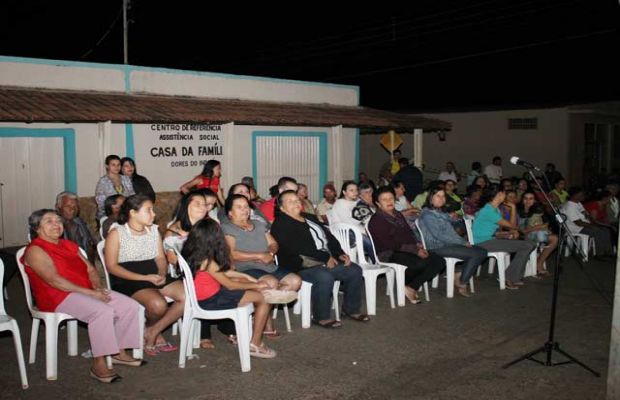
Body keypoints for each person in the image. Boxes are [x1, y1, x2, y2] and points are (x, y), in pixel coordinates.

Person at [23, 209, 143, 383]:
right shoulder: (35, 250)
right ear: (37, 228)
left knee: (129, 305)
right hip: (57, 296)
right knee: (102, 311)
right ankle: (99, 364)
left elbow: (90, 269)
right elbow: (54, 281)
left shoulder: (69, 245)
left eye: (58, 221)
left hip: (84, 290)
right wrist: (92, 294)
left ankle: (118, 352)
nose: (56, 224)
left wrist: (97, 289)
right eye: (49, 221)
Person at [271, 190, 369, 328]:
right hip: (300, 265)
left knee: (354, 270)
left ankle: (350, 309)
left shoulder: (309, 217)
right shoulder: (281, 224)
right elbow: (298, 248)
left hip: (324, 259)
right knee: (324, 276)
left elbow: (328, 236)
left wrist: (339, 253)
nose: (296, 203)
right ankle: (320, 317)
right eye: (290, 201)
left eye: (297, 200)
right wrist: (325, 257)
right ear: (281, 208)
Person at [181, 219, 277, 358]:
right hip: (211, 300)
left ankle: (250, 331)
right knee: (264, 299)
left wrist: (246, 277)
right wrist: (256, 285)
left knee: (246, 283)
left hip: (203, 297)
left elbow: (221, 273)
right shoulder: (208, 261)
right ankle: (255, 344)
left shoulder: (194, 253)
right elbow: (230, 285)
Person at [104, 194, 185, 356]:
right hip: (128, 278)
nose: (154, 214)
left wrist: (162, 272)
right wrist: (145, 278)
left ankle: (153, 330)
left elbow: (160, 258)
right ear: (133, 213)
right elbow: (111, 266)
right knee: (158, 304)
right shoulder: (117, 233)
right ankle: (153, 330)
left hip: (153, 273)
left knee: (188, 296)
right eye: (149, 210)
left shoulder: (153, 230)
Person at [222, 194, 302, 338]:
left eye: (246, 206)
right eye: (239, 207)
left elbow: (273, 243)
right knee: (271, 283)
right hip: (245, 268)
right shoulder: (227, 227)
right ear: (230, 212)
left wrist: (270, 254)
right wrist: (259, 255)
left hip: (267, 266)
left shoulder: (258, 224)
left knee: (295, 281)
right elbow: (232, 254)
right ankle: (266, 321)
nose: (244, 210)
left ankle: (261, 312)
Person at [164, 190, 234, 349]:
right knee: (206, 282)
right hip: (185, 273)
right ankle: (205, 332)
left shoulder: (209, 225)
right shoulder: (173, 231)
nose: (204, 208)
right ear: (186, 206)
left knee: (227, 276)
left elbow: (220, 249)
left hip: (209, 268)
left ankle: (227, 323)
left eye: (205, 205)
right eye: (198, 204)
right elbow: (174, 260)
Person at [368, 186, 445, 303]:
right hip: (388, 252)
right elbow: (390, 244)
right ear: (378, 203)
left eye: (391, 198)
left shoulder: (398, 215)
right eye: (384, 199)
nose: (389, 201)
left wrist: (418, 245)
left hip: (407, 250)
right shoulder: (376, 220)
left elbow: (409, 233)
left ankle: (411, 287)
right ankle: (404, 284)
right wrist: (415, 250)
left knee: (438, 261)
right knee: (418, 263)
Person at [417, 188, 487, 297]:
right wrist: (462, 242)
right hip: (437, 246)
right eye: (438, 196)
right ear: (431, 199)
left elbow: (450, 219)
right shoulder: (428, 215)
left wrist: (454, 218)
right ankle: (462, 282)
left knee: (481, 251)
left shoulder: (439, 212)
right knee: (478, 253)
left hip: (446, 244)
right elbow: (439, 235)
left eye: (443, 196)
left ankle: (458, 273)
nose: (441, 198)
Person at [472, 186, 537, 289]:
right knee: (527, 245)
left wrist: (507, 234)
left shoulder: (495, 209)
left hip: (490, 239)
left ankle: (513, 276)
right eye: (503, 193)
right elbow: (512, 225)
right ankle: (509, 277)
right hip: (482, 243)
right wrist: (513, 208)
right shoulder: (489, 210)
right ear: (498, 195)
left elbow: (499, 230)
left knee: (531, 244)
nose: (505, 195)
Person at [560, 186, 614, 257]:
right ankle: (600, 254)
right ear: (575, 195)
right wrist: (593, 225)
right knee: (598, 231)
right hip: (575, 228)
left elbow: (585, 213)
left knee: (606, 230)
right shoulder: (570, 206)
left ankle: (608, 252)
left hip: (583, 224)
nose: (584, 196)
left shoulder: (577, 203)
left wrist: (591, 220)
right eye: (582, 194)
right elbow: (578, 222)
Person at [517, 191, 558, 275]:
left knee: (555, 238)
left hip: (536, 233)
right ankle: (536, 262)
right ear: (522, 200)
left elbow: (546, 223)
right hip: (522, 235)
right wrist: (538, 227)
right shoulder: (518, 211)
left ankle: (539, 262)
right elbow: (522, 230)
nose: (528, 201)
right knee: (542, 236)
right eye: (525, 198)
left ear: (535, 200)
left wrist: (544, 228)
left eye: (531, 199)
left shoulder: (538, 209)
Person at [55, 192, 97, 263]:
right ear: (58, 207)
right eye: (67, 206)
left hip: (85, 262)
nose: (72, 209)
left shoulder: (79, 221)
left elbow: (89, 245)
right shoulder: (54, 226)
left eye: (75, 206)